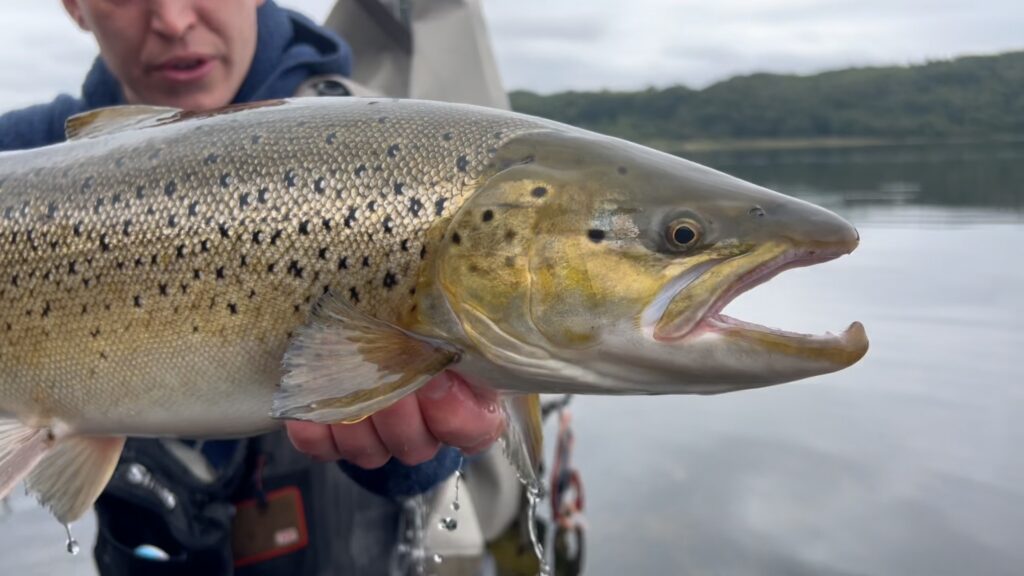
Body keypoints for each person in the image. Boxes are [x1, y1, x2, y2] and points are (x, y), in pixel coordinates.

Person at [0, 1, 505, 574]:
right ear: (75, 7)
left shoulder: (394, 150)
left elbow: (437, 456)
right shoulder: (23, 151)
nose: (172, 19)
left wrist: (410, 449)